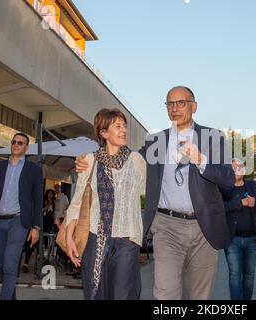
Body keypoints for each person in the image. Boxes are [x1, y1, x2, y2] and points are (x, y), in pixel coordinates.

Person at [76, 86, 235, 300]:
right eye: (170, 103)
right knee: (165, 294)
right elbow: (126, 160)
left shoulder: (212, 138)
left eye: (181, 102)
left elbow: (228, 179)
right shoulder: (157, 141)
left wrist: (201, 160)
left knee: (200, 296)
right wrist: (91, 160)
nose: (175, 108)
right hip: (166, 226)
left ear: (194, 106)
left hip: (203, 227)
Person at [66, 108, 146, 300]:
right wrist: (69, 238)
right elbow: (77, 202)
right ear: (103, 132)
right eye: (117, 126)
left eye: (125, 126)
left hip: (127, 239)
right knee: (97, 294)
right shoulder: (89, 161)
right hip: (95, 238)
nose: (124, 130)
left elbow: (150, 191)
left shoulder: (136, 161)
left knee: (123, 295)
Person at [0, 133, 43, 300]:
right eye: (14, 142)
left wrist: (36, 227)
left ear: (26, 147)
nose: (16, 145)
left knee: (10, 264)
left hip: (19, 222)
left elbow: (38, 199)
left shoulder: (34, 170)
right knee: (0, 264)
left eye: (20, 143)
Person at [219, 158, 256, 300]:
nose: (237, 169)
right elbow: (219, 208)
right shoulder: (224, 189)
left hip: (252, 239)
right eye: (233, 167)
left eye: (240, 166)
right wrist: (239, 203)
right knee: (235, 274)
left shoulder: (254, 186)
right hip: (232, 239)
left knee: (249, 275)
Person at [22, 189, 56, 273]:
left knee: (42, 245)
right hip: (38, 225)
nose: (50, 195)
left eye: (52, 194)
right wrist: (47, 206)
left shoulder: (54, 204)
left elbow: (52, 214)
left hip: (47, 226)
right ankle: (25, 264)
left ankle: (39, 262)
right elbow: (39, 212)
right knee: (31, 244)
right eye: (49, 193)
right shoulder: (42, 201)